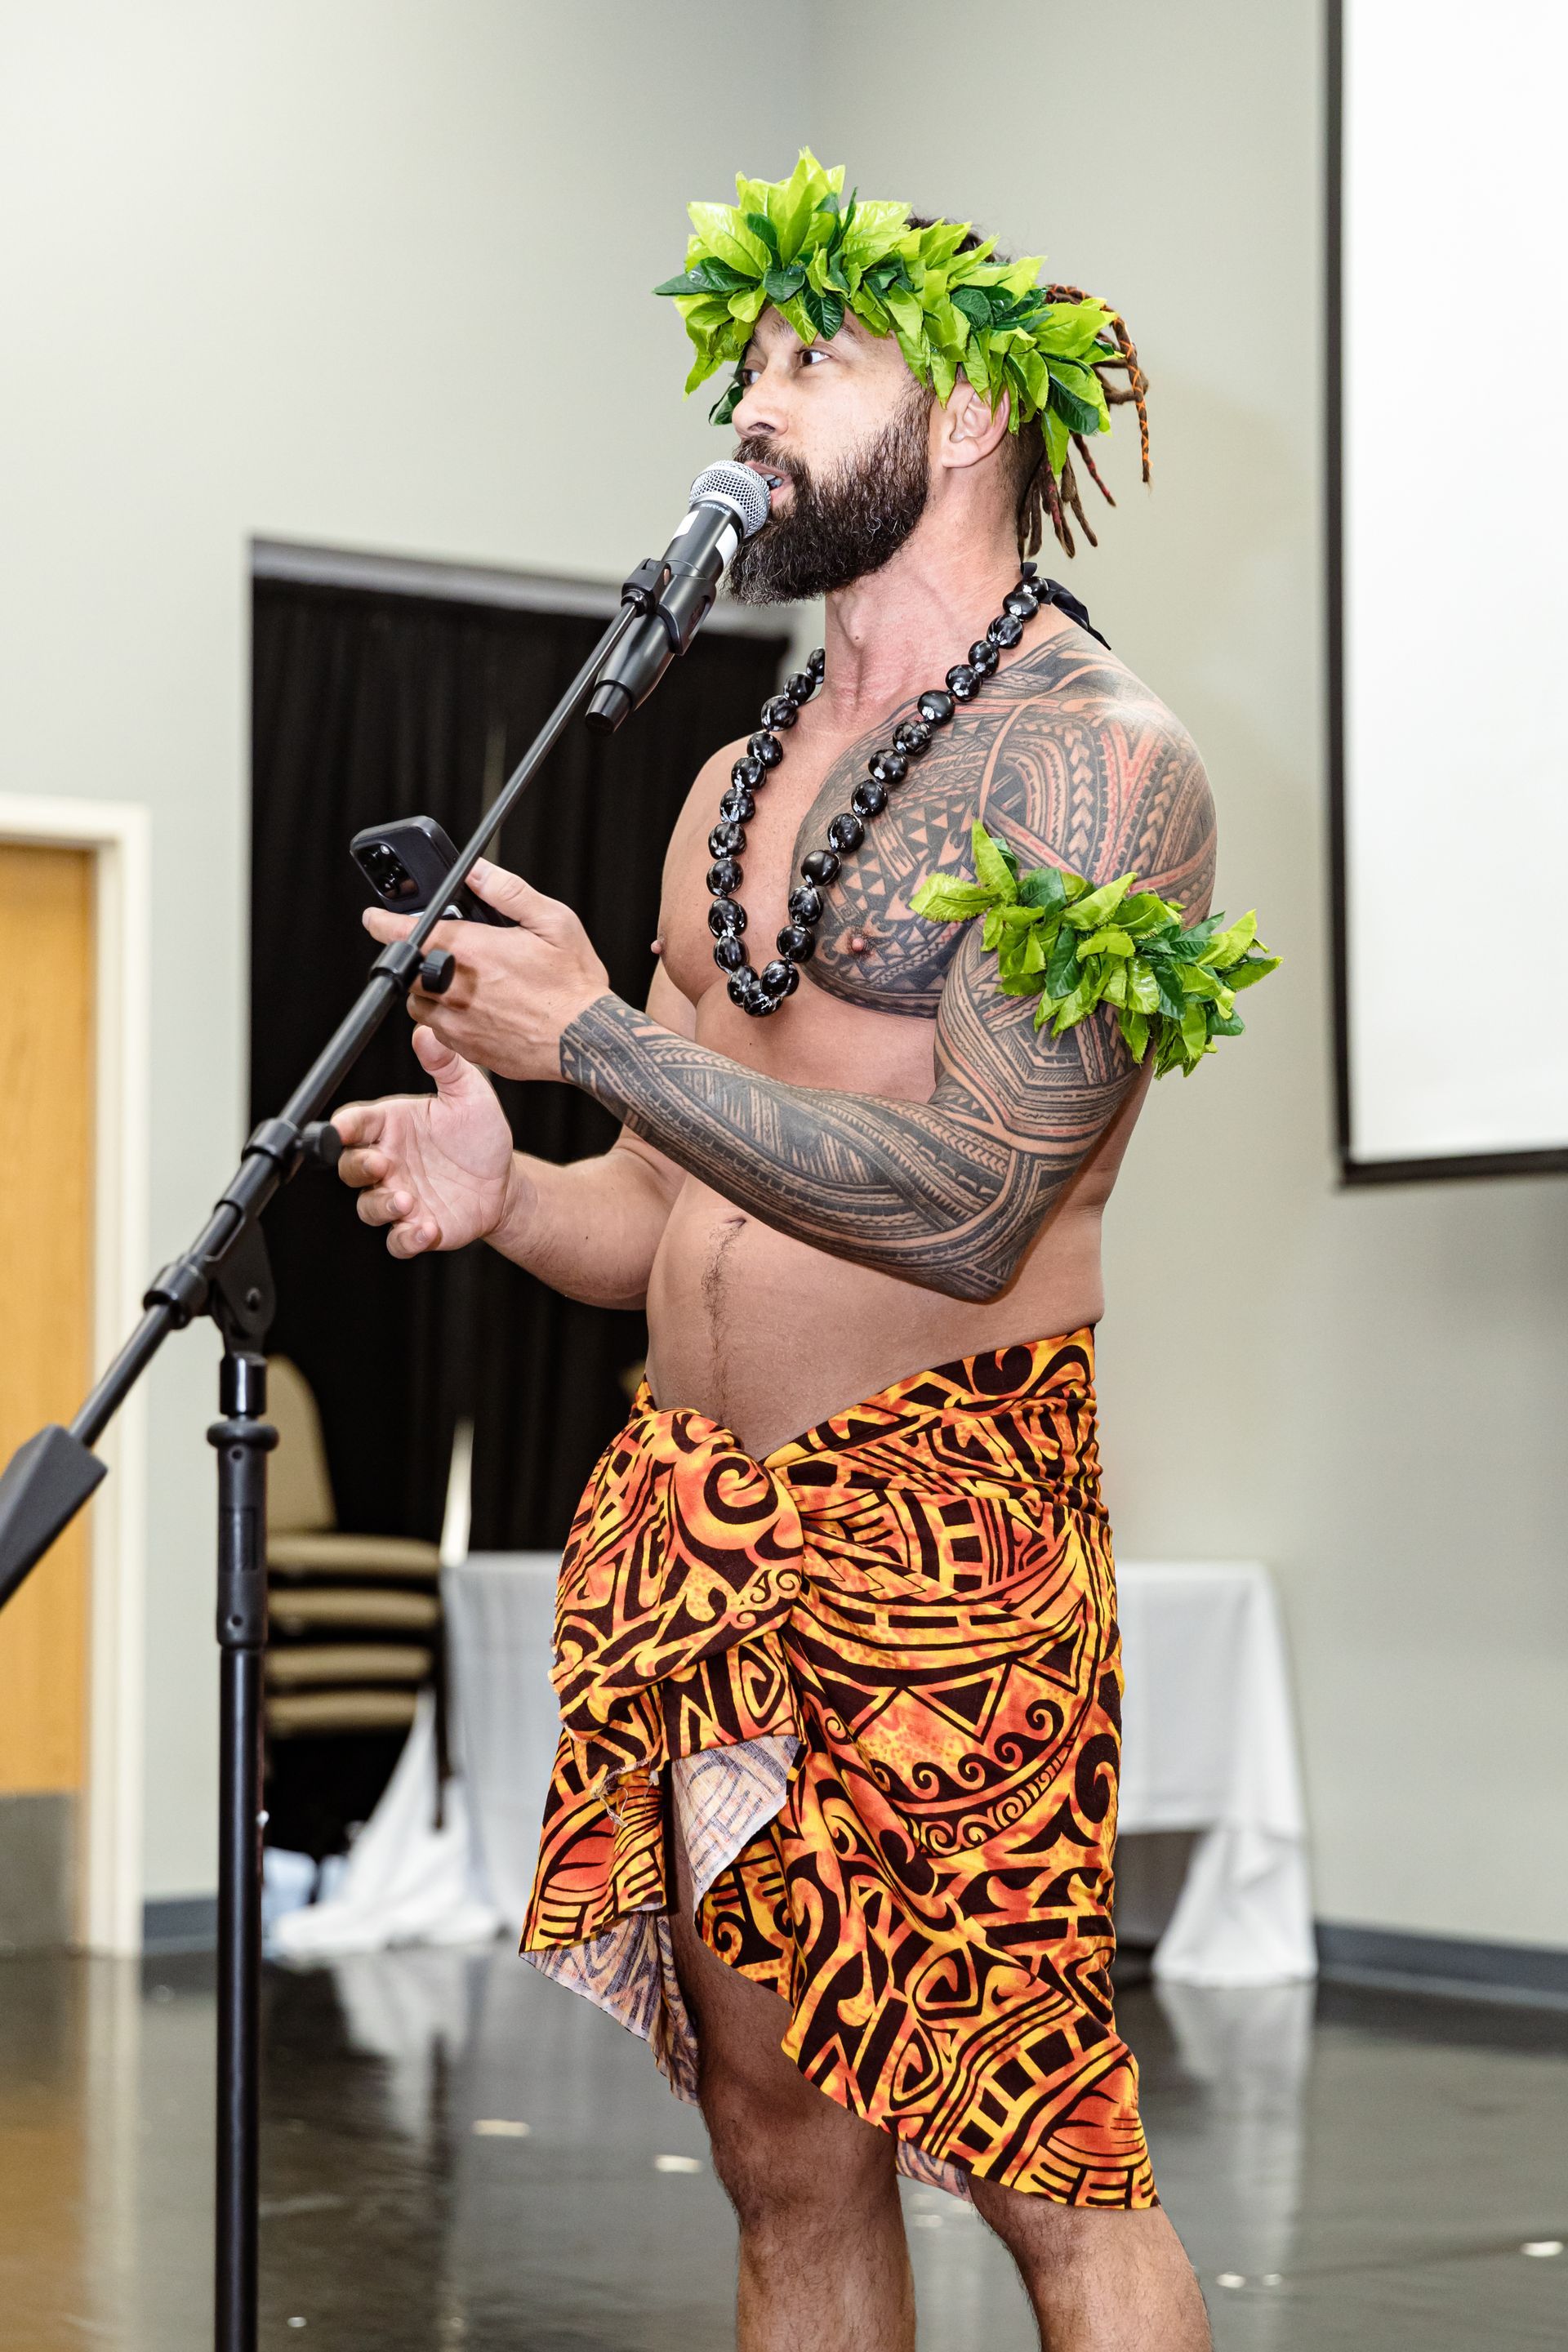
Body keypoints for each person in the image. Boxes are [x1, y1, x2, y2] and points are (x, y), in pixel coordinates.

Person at [334, 153, 1233, 2351]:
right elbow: (680, 1215)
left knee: (1039, 2167)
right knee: (779, 2144)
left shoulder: (1102, 773)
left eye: (812, 356)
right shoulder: (729, 781)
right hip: (696, 1541)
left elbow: (966, 1200)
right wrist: (518, 1187)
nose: (753, 400)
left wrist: (602, 1045)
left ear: (978, 415)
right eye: (746, 354)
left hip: (951, 1532)